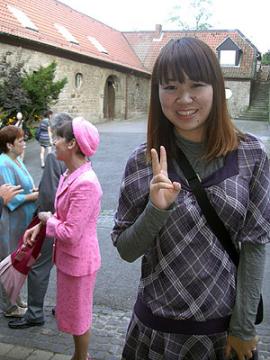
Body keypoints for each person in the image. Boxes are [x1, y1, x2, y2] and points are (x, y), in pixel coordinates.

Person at [111, 37, 270, 360]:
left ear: (216, 87)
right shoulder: (143, 161)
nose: (184, 99)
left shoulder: (251, 154)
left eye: (196, 85)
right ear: (157, 93)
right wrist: (156, 209)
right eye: (170, 87)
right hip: (155, 331)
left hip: (222, 334)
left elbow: (255, 247)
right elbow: (127, 250)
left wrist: (242, 328)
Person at [23, 117, 102, 360]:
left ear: (72, 144)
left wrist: (47, 219)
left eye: (58, 138)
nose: (53, 142)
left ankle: (81, 357)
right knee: (72, 313)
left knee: (79, 316)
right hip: (70, 260)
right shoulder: (71, 173)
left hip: (80, 262)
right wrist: (40, 226)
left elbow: (70, 232)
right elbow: (61, 213)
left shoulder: (86, 183)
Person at [8, 113, 71, 330]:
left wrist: (42, 219)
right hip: (66, 221)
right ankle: (64, 306)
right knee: (64, 266)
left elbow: (50, 194)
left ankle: (34, 313)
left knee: (38, 267)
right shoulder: (79, 155)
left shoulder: (54, 156)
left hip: (50, 220)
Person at [0, 125, 39, 317]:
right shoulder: (3, 163)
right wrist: (34, 196)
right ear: (9, 145)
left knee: (19, 261)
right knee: (8, 261)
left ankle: (16, 299)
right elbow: (11, 198)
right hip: (10, 222)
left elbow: (25, 186)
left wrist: (33, 191)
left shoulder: (17, 160)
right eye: (20, 141)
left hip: (23, 220)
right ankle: (8, 306)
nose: (24, 144)